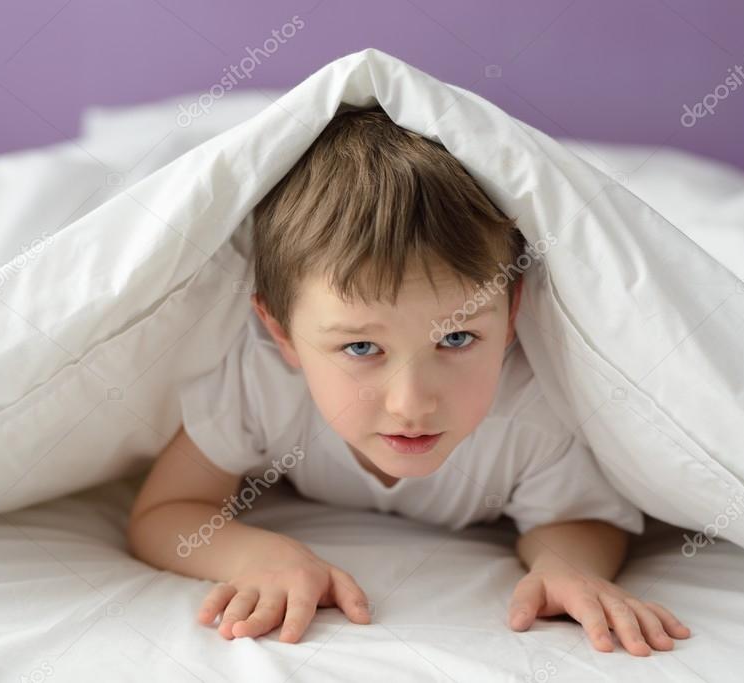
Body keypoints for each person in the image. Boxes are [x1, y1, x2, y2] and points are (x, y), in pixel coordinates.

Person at [126, 105, 690, 656]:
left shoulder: (532, 409)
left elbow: (576, 517)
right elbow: (169, 510)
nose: (411, 403)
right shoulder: (259, 383)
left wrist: (568, 568)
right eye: (361, 348)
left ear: (511, 314)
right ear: (283, 334)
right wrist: (257, 558)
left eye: (457, 338)